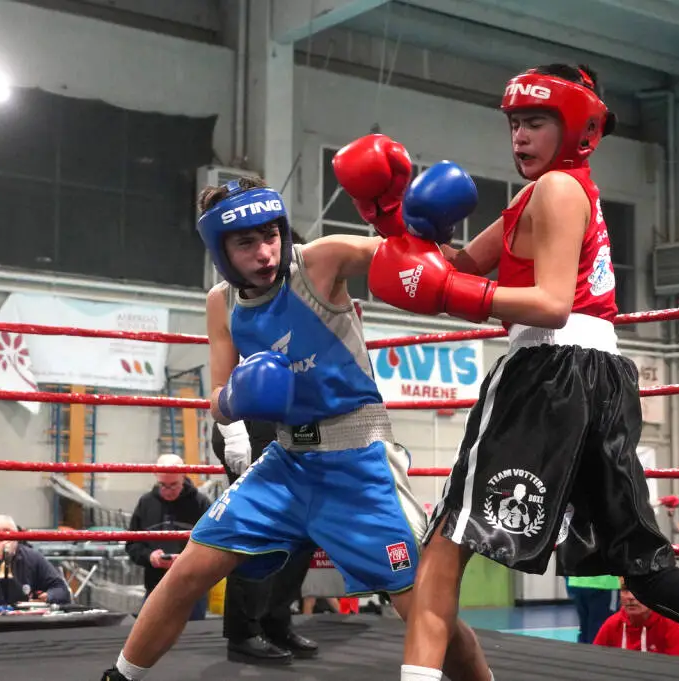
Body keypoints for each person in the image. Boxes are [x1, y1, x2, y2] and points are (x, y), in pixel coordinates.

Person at [336, 63, 679, 681]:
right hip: (600, 375)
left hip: (549, 367)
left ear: (579, 131)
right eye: (515, 122)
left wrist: (454, 292)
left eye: (537, 122)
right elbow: (457, 264)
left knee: (444, 547)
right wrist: (391, 221)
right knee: (648, 571)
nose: (519, 136)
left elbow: (547, 303)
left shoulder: (558, 190)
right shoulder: (536, 196)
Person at [100, 173, 492, 681]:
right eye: (247, 242)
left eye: (271, 235)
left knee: (422, 606)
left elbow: (408, 257)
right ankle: (120, 677)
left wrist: (409, 220)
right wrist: (238, 396)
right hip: (285, 464)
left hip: (358, 461)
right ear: (221, 251)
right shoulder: (222, 303)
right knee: (187, 571)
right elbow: (217, 399)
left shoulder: (319, 261)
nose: (265, 252)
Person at [211, 418, 317, 664]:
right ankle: (243, 634)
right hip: (251, 426)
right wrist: (234, 432)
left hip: (293, 427)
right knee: (256, 526)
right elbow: (223, 385)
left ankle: (275, 623)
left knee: (299, 529)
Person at [124, 454, 211, 622]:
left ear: (184, 476)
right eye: (163, 485)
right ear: (156, 477)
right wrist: (150, 557)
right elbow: (132, 544)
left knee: (194, 640)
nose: (168, 491)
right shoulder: (146, 503)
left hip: (192, 588)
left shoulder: (200, 504)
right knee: (149, 640)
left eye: (173, 485)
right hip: (155, 585)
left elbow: (213, 545)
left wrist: (187, 559)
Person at [592, 582, 679, 657]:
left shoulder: (674, 627)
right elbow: (594, 664)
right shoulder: (612, 624)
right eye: (625, 589)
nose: (631, 597)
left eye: (639, 590)